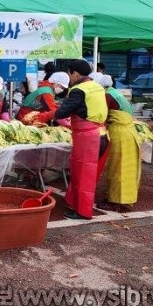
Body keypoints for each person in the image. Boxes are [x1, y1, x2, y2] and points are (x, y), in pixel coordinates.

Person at [38, 60, 109, 220]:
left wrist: (44, 116)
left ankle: (83, 212)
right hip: (101, 134)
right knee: (87, 174)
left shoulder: (79, 89)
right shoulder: (97, 86)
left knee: (83, 176)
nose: (69, 78)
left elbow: (63, 112)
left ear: (75, 73)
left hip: (88, 137)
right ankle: (76, 203)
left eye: (70, 74)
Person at [92, 73, 141, 212]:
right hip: (127, 132)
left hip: (120, 134)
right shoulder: (114, 92)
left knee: (118, 169)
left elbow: (100, 115)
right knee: (125, 169)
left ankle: (118, 203)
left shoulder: (106, 96)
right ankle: (121, 199)